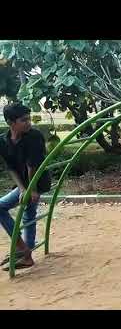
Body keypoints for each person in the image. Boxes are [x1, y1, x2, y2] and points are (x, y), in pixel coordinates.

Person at [0, 103, 51, 270]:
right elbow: (11, 168)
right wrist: (22, 189)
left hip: (38, 180)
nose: (29, 122)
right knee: (23, 212)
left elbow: (33, 165)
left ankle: (24, 252)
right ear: (10, 122)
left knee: (28, 213)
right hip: (23, 182)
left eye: (29, 118)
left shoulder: (34, 136)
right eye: (24, 120)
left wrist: (32, 189)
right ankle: (23, 250)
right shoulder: (3, 141)